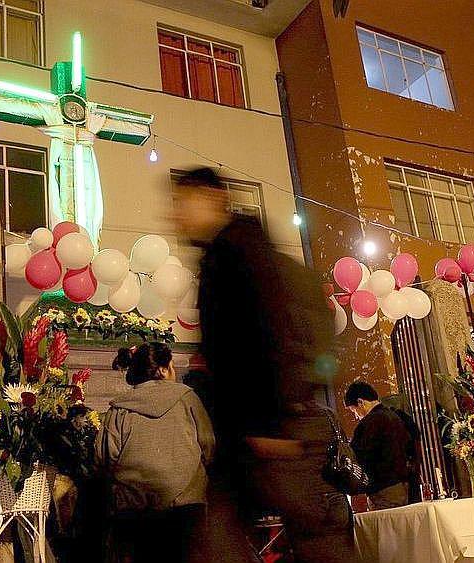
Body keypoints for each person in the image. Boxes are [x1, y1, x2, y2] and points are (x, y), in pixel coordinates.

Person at [171, 167, 356, 563]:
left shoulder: (239, 256)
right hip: (252, 430)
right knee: (222, 537)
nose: (176, 214)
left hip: (273, 428)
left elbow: (269, 334)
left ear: (212, 198)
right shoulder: (231, 253)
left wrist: (269, 422)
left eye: (182, 202)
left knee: (312, 538)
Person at [96, 343, 215, 563]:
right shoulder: (188, 398)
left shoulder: (119, 409)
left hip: (134, 510)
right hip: (185, 505)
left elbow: (105, 456)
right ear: (162, 369)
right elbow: (208, 445)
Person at [345, 381, 415, 510]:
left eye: (353, 410)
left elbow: (357, 457)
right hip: (404, 486)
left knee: (386, 522)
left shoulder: (368, 424)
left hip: (383, 490)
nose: (356, 416)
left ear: (360, 402)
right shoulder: (396, 417)